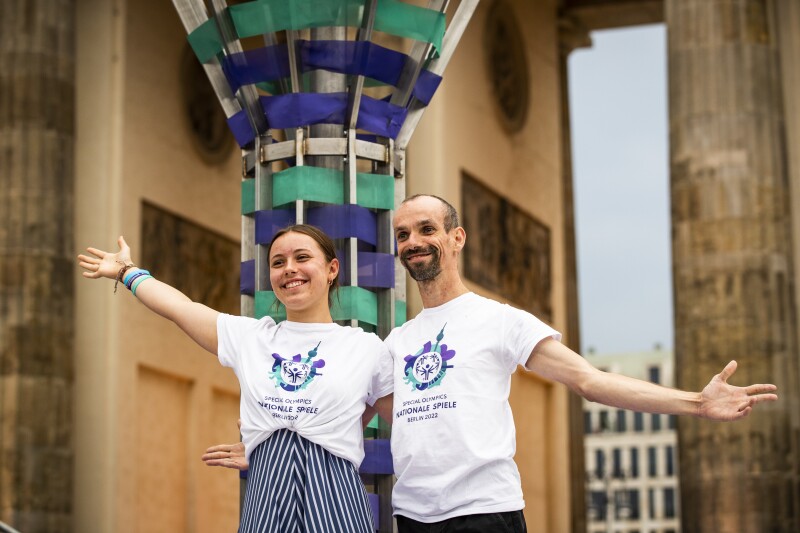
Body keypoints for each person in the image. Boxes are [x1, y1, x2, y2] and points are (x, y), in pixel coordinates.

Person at [206, 194, 779, 533]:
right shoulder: (395, 342)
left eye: (426, 229)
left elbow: (589, 380)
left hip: (486, 514)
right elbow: (360, 410)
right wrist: (274, 440)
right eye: (403, 234)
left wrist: (694, 404)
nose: (413, 241)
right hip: (413, 517)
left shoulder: (501, 320)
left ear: (456, 238)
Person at [78, 224, 394, 533]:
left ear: (332, 269)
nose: (289, 269)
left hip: (336, 498)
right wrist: (126, 271)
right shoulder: (251, 337)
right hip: (267, 491)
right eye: (278, 262)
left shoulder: (365, 347)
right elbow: (180, 308)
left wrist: (325, 432)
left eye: (302, 258)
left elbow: (404, 422)